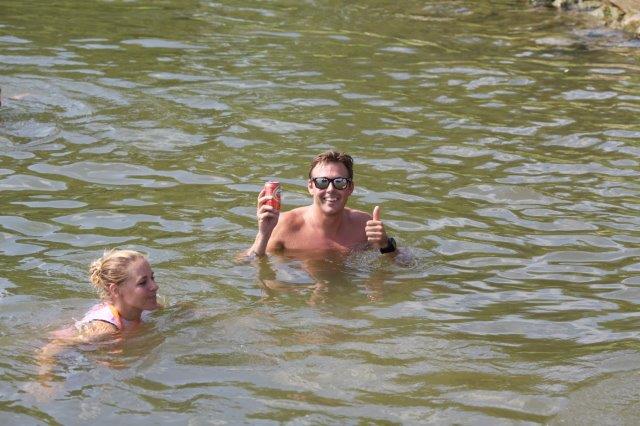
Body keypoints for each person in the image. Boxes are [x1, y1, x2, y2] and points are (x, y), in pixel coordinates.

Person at [34, 249, 160, 389]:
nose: (154, 286)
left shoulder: (146, 307)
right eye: (143, 283)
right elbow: (50, 349)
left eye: (152, 278)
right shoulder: (104, 328)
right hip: (70, 363)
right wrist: (46, 382)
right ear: (115, 290)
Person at [246, 150, 398, 257]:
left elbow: (403, 265)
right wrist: (263, 235)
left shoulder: (363, 225)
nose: (331, 189)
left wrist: (386, 245)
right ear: (311, 187)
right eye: (322, 182)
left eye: (339, 182)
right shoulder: (285, 225)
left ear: (350, 188)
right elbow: (246, 264)